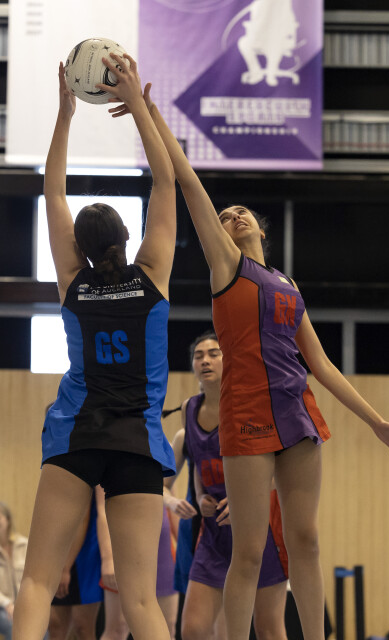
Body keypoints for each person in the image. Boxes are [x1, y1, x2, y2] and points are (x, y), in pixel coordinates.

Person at [108, 86, 389, 640]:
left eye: (241, 212)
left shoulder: (287, 283)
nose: (232, 214)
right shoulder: (226, 266)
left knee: (306, 541)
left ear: (260, 228)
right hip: (248, 412)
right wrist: (147, 109)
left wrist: (376, 422)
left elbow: (320, 364)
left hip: (297, 412)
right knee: (249, 552)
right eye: (225, 215)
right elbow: (188, 181)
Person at [13, 52, 177, 640]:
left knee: (37, 581)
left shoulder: (73, 284)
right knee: (142, 600)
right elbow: (166, 182)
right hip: (138, 441)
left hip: (77, 435)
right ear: (128, 238)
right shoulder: (152, 276)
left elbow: (52, 193)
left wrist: (64, 116)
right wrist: (138, 108)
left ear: (78, 248)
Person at [179, 331, 288, 640]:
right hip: (215, 532)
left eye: (214, 353)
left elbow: (280, 469)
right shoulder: (189, 409)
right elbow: (198, 461)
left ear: (230, 361)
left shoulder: (252, 406)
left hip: (261, 527)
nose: (205, 360)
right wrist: (201, 495)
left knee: (268, 630)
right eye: (198, 356)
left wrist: (244, 502)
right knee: (193, 630)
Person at [96, 485, 178, 640]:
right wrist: (108, 558)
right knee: (117, 629)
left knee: (167, 627)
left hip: (163, 550)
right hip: (125, 547)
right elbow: (102, 511)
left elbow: (175, 507)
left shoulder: (164, 469)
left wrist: (185, 553)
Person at [48, 495, 102, 640]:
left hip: (84, 556)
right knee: (55, 624)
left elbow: (82, 519)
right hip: (58, 550)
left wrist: (65, 567)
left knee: (82, 627)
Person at [0, 502, 27, 640]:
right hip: (2, 606)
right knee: (13, 625)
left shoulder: (24, 544)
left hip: (24, 604)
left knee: (41, 625)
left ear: (8, 519)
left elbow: (33, 578)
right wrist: (7, 604)